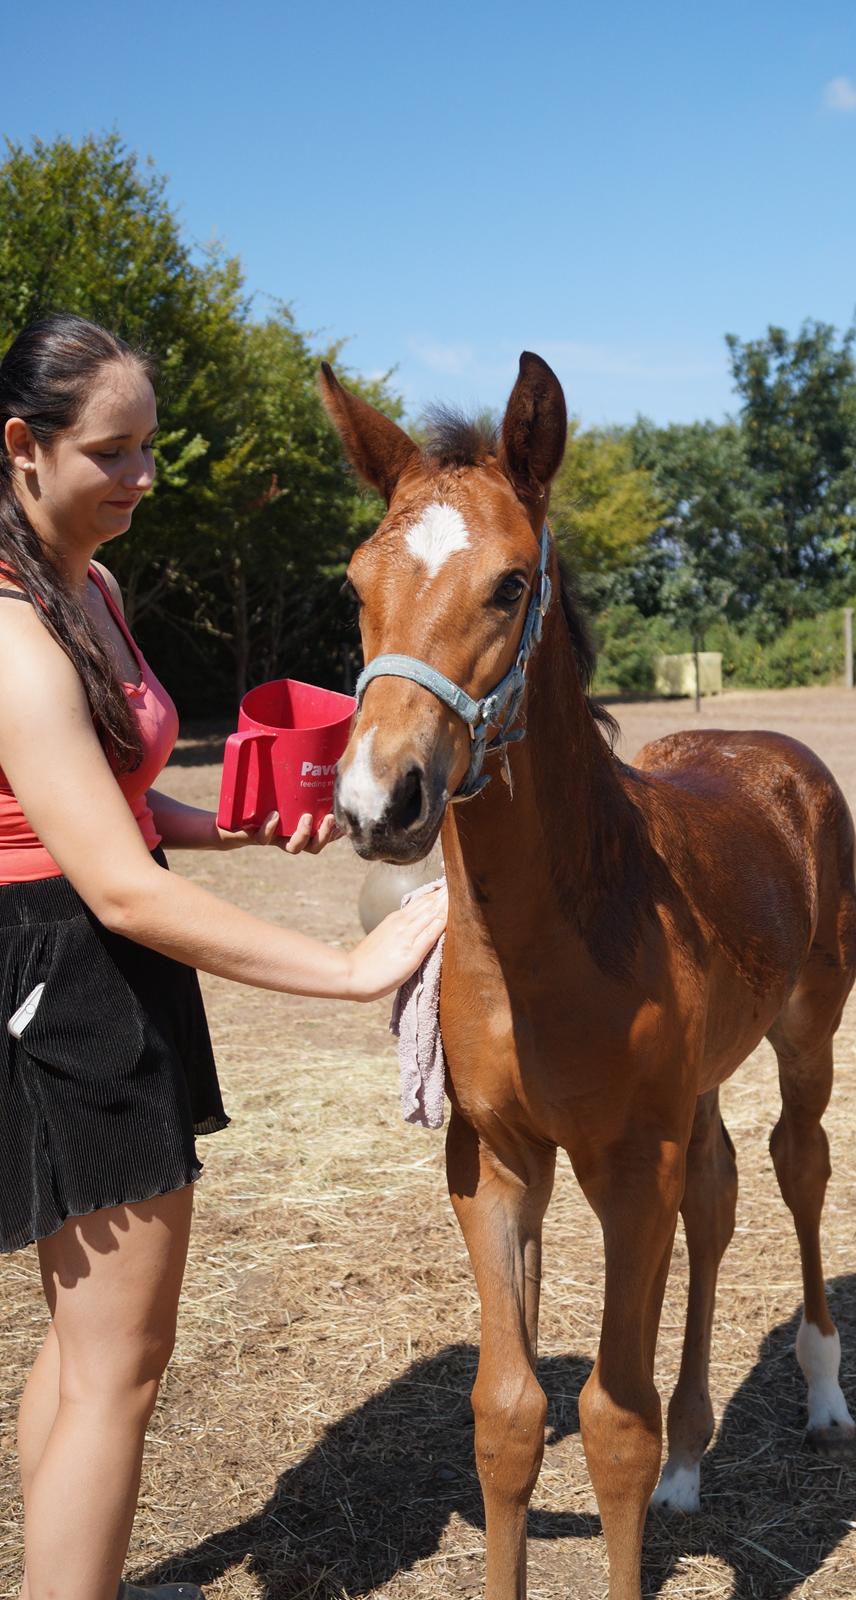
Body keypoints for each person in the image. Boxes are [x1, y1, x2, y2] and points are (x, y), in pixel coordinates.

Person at [0, 313, 447, 1600]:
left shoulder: (85, 586)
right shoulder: (15, 634)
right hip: (67, 981)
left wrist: (226, 818)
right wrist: (354, 971)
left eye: (150, 448)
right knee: (119, 1375)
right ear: (21, 447)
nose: (144, 477)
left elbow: (111, 803)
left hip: (90, 966)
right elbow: (120, 890)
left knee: (82, 1352)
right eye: (114, 451)